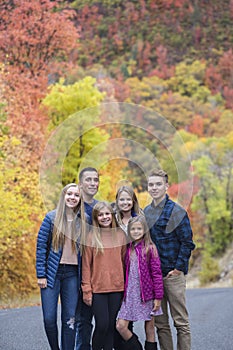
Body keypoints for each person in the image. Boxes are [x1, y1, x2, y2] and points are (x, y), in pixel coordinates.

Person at [144, 169, 195, 350]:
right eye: (151, 184)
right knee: (161, 323)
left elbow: (187, 243)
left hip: (173, 275)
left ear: (166, 186)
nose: (154, 188)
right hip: (154, 277)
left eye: (158, 184)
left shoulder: (176, 211)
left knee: (180, 321)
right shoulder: (146, 213)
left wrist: (178, 269)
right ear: (147, 187)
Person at [36, 183, 88, 350]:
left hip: (72, 275)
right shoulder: (51, 218)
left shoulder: (84, 221)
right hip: (52, 273)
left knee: (70, 319)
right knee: (49, 319)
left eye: (76, 195)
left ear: (80, 199)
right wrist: (41, 274)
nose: (72, 197)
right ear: (63, 196)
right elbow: (41, 247)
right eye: (69, 194)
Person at [81, 201, 127, 350]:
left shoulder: (120, 235)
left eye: (107, 214)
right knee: (102, 325)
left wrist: (127, 287)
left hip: (117, 288)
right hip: (98, 289)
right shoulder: (90, 236)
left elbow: (125, 262)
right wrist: (86, 289)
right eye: (100, 215)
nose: (104, 217)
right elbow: (86, 265)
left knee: (111, 327)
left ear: (112, 216)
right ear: (96, 218)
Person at [116, 215, 164, 350]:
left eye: (139, 228)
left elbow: (156, 274)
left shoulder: (150, 248)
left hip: (147, 295)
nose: (136, 231)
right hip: (130, 294)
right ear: (129, 231)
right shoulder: (128, 248)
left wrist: (158, 297)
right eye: (133, 229)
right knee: (121, 326)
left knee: (149, 329)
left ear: (145, 230)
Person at [76, 167, 99, 350]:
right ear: (80, 184)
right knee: (80, 319)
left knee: (95, 318)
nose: (92, 183)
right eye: (89, 180)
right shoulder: (73, 206)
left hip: (95, 271)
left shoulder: (100, 209)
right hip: (73, 270)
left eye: (95, 180)